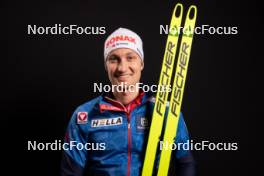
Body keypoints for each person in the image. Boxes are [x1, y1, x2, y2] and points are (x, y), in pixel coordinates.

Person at [61, 27, 195, 176]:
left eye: (130, 57)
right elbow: (70, 173)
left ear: (141, 63)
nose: (122, 67)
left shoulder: (166, 111)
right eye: (113, 59)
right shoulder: (84, 115)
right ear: (106, 65)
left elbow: (185, 164)